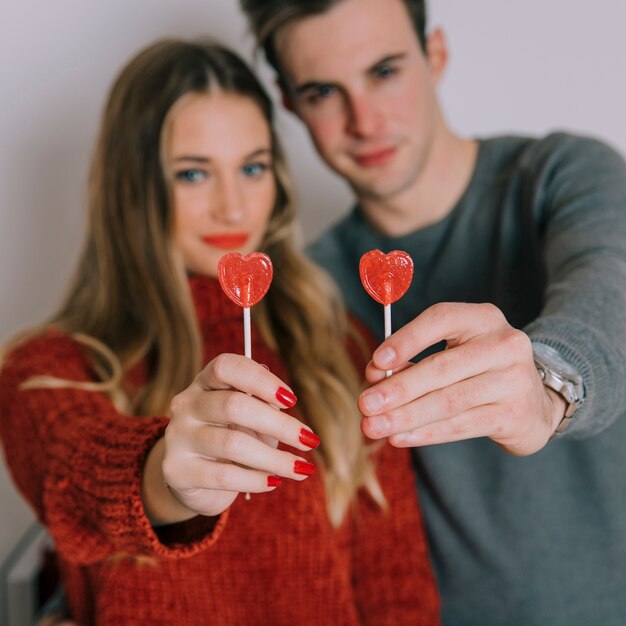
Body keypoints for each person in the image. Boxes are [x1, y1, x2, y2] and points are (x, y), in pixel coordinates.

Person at [0, 39, 441, 625]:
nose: (233, 208)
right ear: (133, 191)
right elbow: (75, 475)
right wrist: (167, 477)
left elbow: (397, 595)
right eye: (192, 174)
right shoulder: (47, 372)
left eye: (253, 167)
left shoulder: (343, 351)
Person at [239, 0, 626, 624]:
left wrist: (547, 385)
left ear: (436, 55)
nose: (364, 120)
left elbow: (610, 287)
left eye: (385, 71)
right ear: (289, 104)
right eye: (322, 92)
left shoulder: (561, 175)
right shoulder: (300, 293)